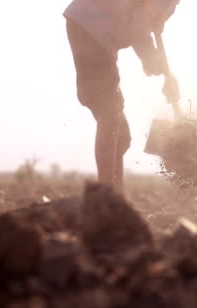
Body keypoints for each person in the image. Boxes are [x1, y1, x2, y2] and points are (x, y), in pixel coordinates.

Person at [64, 0, 180, 191]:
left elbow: (146, 26)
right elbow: (139, 30)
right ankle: (105, 194)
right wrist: (150, 60)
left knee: (120, 136)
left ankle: (116, 192)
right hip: (91, 26)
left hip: (88, 27)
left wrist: (165, 73)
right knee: (110, 109)